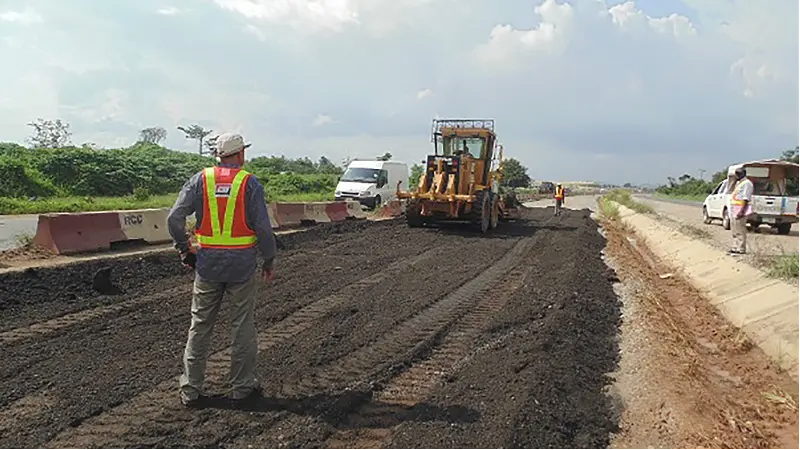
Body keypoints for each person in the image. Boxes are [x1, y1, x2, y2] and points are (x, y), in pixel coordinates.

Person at [167, 132, 278, 407]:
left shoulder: (200, 180)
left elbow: (174, 218)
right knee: (242, 327)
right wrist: (269, 259)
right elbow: (263, 228)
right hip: (241, 266)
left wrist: (184, 248)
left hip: (207, 266)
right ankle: (242, 388)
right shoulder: (249, 183)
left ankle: (191, 390)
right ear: (240, 154)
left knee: (200, 326)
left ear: (219, 155)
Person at [729, 167, 753, 254]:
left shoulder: (747, 184)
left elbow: (745, 198)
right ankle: (735, 247)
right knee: (734, 229)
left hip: (740, 208)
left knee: (740, 229)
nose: (736, 176)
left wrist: (742, 211)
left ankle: (741, 248)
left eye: (738, 174)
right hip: (735, 208)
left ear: (742, 174)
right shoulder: (739, 183)